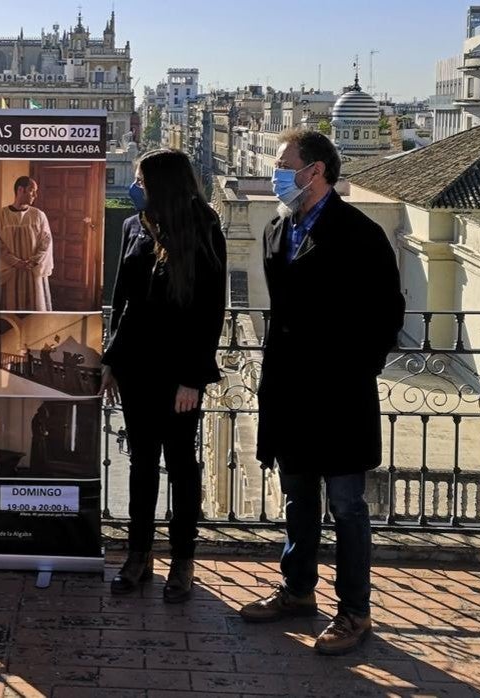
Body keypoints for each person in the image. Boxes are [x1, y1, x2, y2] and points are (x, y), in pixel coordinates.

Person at [239, 128, 404, 655]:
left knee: (348, 507)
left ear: (316, 172)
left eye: (285, 164)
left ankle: (355, 612)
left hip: (339, 394)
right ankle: (297, 591)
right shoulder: (274, 231)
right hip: (289, 391)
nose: (277, 173)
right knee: (298, 498)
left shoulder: (359, 233)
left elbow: (387, 311)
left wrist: (356, 368)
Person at [101, 148, 227, 604]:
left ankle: (182, 559)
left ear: (163, 182)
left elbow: (211, 309)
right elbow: (121, 299)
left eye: (141, 178)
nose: (135, 185)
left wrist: (193, 378)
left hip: (179, 374)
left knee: (181, 466)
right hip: (136, 367)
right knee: (140, 464)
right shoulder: (133, 225)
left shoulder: (205, 226)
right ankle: (138, 555)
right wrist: (111, 360)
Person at [0, 176, 53, 311]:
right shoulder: (1, 215)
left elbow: (46, 241)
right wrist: (15, 262)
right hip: (11, 272)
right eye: (32, 190)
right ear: (20, 190)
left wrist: (33, 261)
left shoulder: (39, 215)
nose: (35, 195)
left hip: (32, 271)